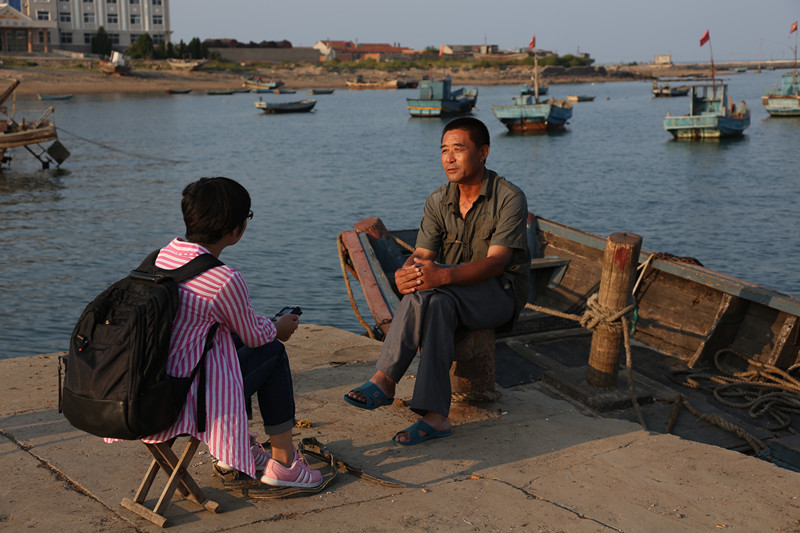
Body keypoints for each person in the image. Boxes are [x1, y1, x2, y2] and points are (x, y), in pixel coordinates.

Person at [343, 117, 530, 445]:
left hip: (499, 293)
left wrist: (442, 275)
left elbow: (497, 263)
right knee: (434, 302)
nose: (449, 158)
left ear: (483, 152)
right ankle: (436, 418)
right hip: (451, 292)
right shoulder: (438, 200)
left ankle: (385, 379)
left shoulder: (509, 197)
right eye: (444, 150)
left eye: (459, 149)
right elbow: (421, 255)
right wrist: (407, 272)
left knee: (429, 296)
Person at [142, 177, 322, 488]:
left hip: (149, 389)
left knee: (233, 339)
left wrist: (263, 326)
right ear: (234, 230)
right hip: (184, 403)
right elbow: (257, 337)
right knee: (272, 351)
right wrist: (278, 328)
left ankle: (233, 451)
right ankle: (283, 463)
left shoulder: (160, 258)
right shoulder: (222, 278)